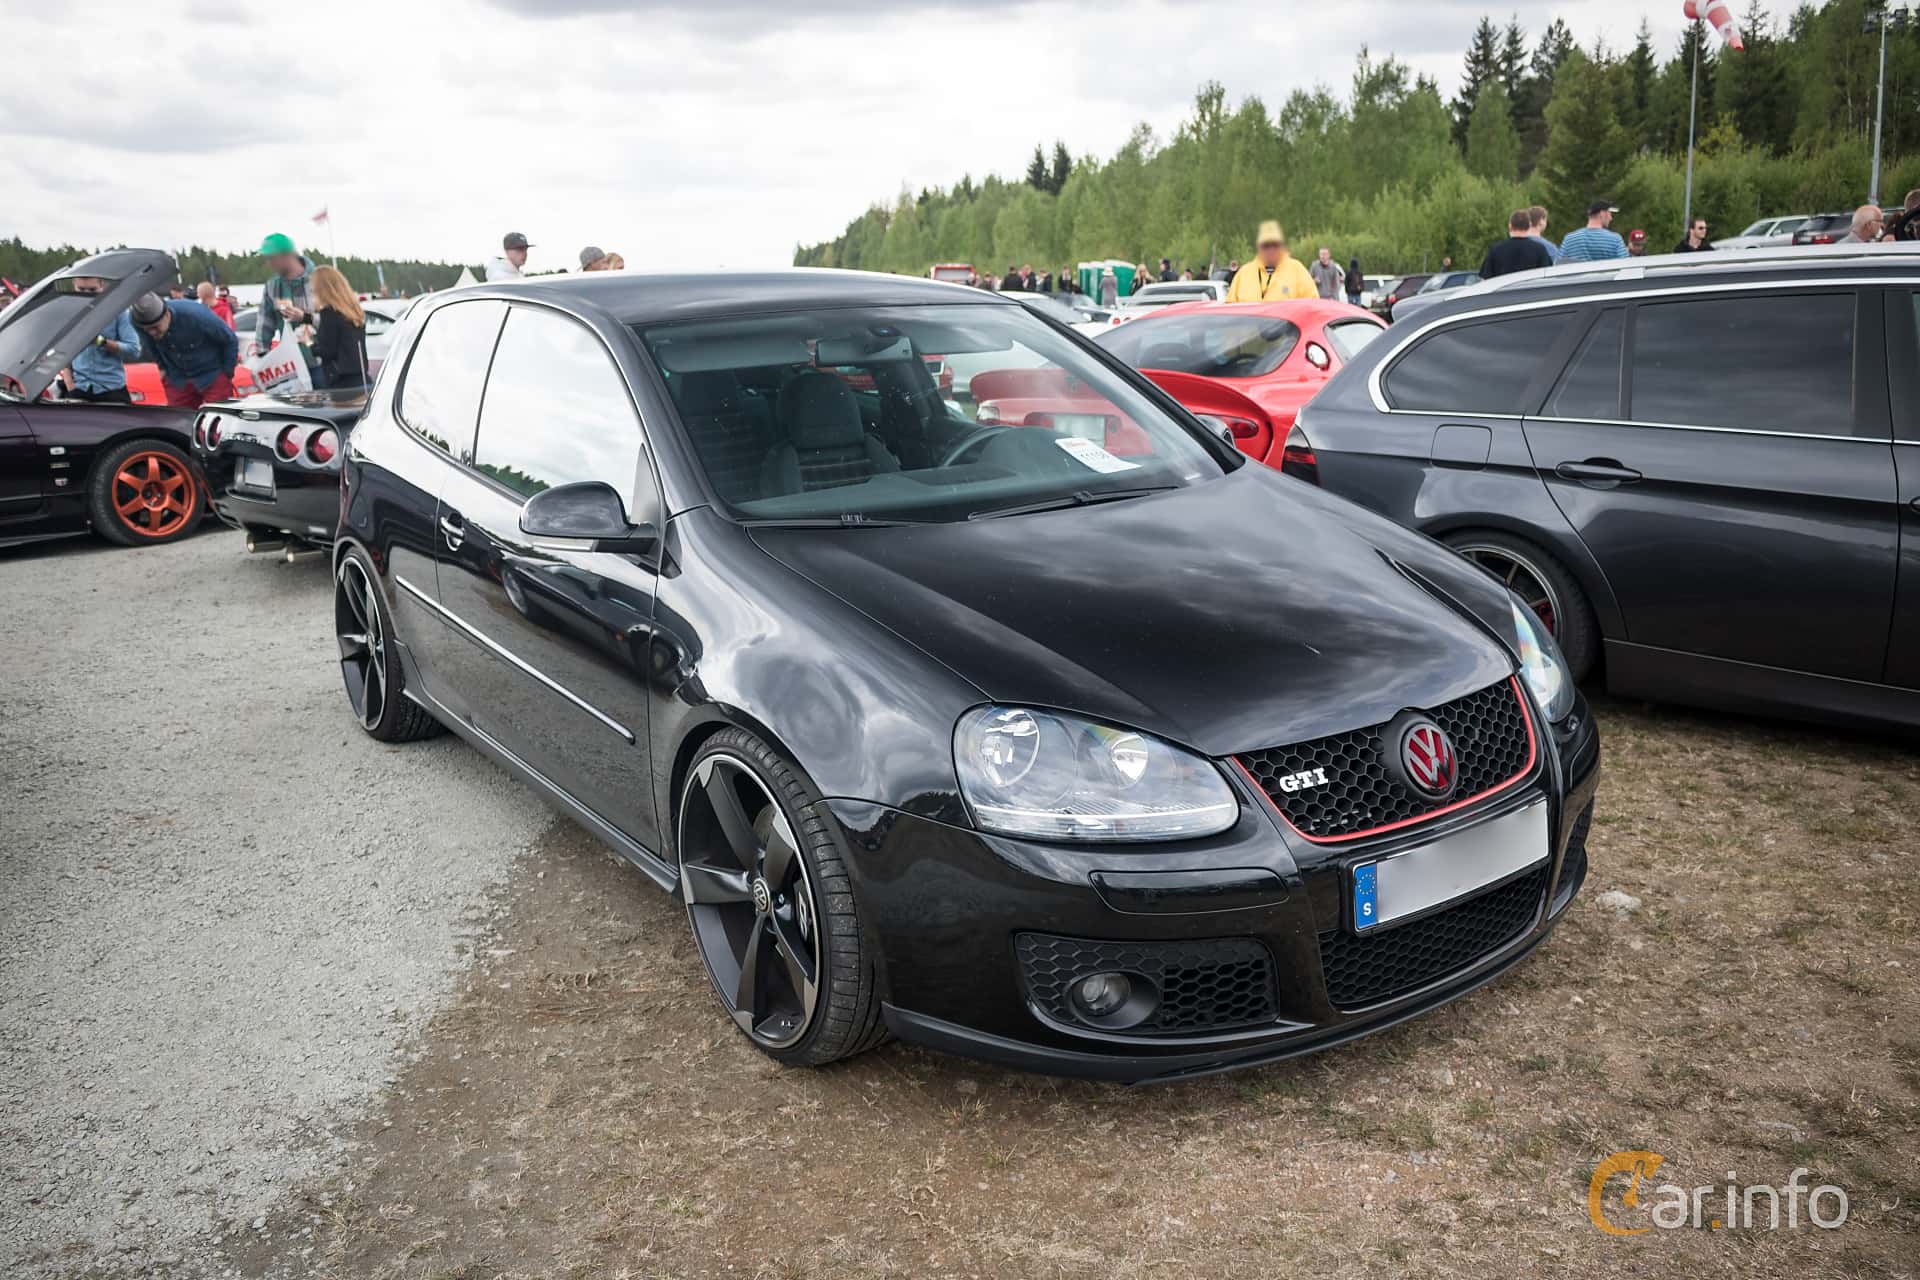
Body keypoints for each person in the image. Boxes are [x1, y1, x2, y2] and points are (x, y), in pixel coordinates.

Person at [128, 291, 238, 409]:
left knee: (218, 418)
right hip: (177, 378)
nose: (152, 333)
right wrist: (162, 369)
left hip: (212, 373)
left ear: (167, 314)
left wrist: (227, 372)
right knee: (178, 421)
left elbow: (229, 339)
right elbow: (150, 345)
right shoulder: (136, 320)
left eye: (155, 327)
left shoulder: (197, 316)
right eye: (147, 329)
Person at [61, 277, 141, 404]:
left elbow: (134, 350)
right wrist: (69, 384)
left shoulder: (118, 312)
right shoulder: (68, 314)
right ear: (74, 284)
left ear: (102, 285)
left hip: (112, 391)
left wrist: (101, 342)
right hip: (79, 390)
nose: (87, 294)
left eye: (92, 289)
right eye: (81, 289)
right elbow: (62, 351)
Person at [254, 233, 321, 382]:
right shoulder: (272, 286)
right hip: (291, 368)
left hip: (322, 363)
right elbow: (265, 323)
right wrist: (262, 357)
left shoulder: (319, 279)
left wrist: (305, 317)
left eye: (272, 258)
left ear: (287, 255)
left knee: (326, 405)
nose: (269, 263)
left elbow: (336, 319)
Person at [307, 265, 369, 391]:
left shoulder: (329, 314)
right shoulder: (353, 311)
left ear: (321, 289)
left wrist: (308, 342)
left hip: (342, 383)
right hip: (361, 378)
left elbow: (327, 351)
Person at [1226, 222, 1317, 302]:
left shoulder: (1298, 271)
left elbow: (1313, 306)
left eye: (1275, 245)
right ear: (1259, 247)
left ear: (1282, 246)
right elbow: (1230, 310)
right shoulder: (1244, 273)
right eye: (1266, 245)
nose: (1271, 250)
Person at [1480, 209, 1556, 278]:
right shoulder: (1540, 250)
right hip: (1531, 292)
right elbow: (1548, 276)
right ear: (1529, 226)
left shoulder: (1495, 250)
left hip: (1504, 293)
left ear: (1510, 226)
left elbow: (1486, 279)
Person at [1559, 201, 1629, 262]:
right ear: (1602, 214)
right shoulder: (1615, 239)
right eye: (1610, 213)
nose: (1611, 218)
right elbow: (1625, 265)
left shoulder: (1569, 239)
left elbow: (1558, 265)